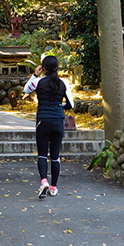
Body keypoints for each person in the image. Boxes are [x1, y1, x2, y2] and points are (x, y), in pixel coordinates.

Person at [23, 55, 74, 199]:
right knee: (55, 156)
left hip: (43, 121)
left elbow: (26, 90)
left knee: (42, 154)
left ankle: (44, 181)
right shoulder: (63, 83)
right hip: (58, 121)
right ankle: (53, 188)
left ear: (43, 68)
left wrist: (34, 74)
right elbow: (71, 104)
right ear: (57, 67)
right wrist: (59, 107)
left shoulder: (38, 82)